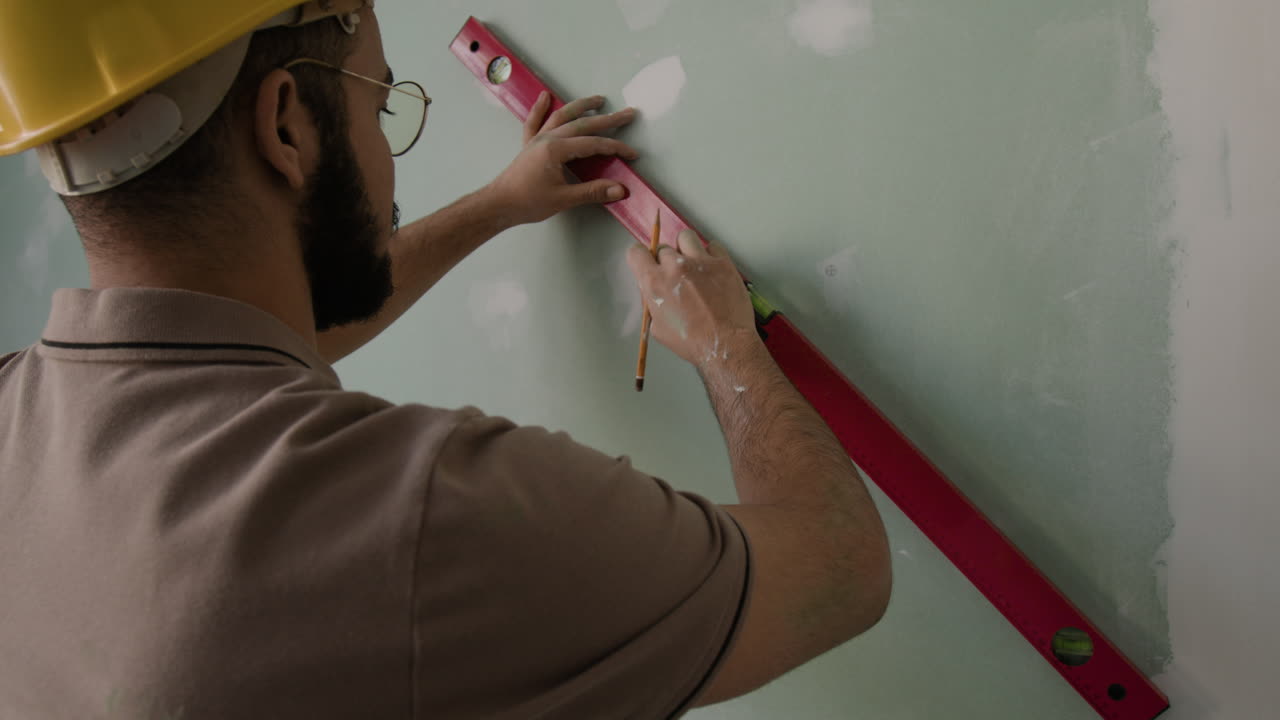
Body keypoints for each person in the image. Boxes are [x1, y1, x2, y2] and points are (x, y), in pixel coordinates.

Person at [0, 1, 891, 717]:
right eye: (379, 106)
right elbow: (839, 568)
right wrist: (727, 347)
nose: (387, 145)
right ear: (287, 127)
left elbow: (258, 340)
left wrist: (499, 203)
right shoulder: (426, 520)